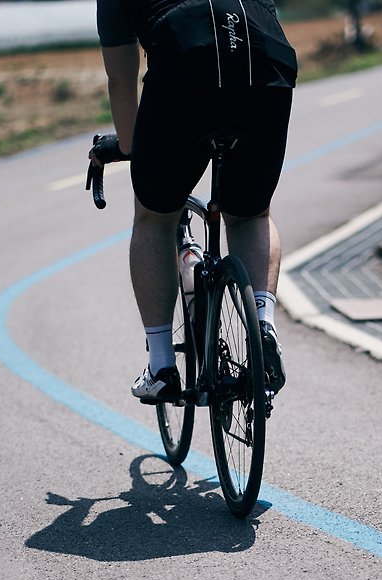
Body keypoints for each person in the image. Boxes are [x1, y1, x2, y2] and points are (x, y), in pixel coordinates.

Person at [92, 0, 298, 404]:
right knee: (251, 214)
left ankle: (161, 367)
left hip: (182, 70)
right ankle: (263, 323)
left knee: (154, 217)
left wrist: (132, 149)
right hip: (267, 68)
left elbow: (120, 80)